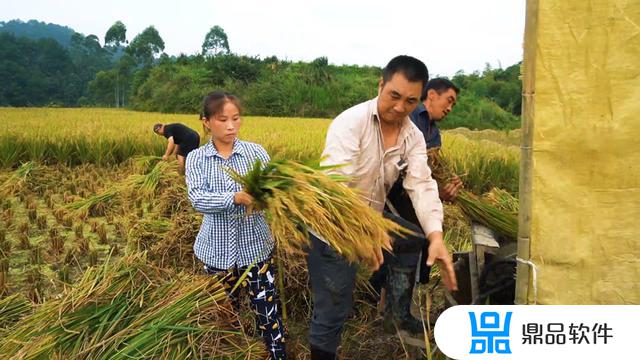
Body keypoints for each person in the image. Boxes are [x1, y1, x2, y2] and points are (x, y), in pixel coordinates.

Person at [306, 56, 458, 360]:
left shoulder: (412, 135)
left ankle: (396, 312)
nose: (401, 107)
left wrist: (436, 235)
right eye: (394, 96)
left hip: (372, 218)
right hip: (334, 226)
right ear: (381, 85)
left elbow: (422, 183)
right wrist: (365, 234)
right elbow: (336, 189)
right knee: (335, 305)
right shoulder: (351, 123)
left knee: (413, 239)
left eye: (410, 101)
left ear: (419, 100)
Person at [185, 91, 286, 359]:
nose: (231, 126)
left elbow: (271, 190)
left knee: (268, 314)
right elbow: (198, 199)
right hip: (215, 253)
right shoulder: (197, 159)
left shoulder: (256, 153)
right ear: (206, 122)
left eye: (236, 118)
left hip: (256, 251)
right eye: (222, 120)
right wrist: (236, 198)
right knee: (221, 316)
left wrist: (270, 196)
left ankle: (276, 355)